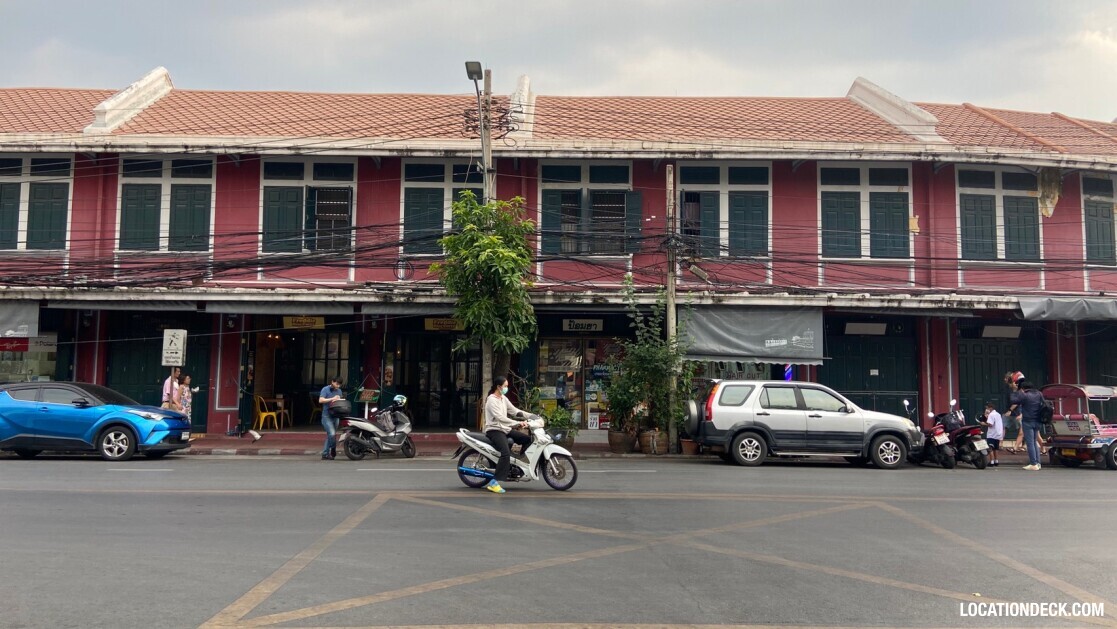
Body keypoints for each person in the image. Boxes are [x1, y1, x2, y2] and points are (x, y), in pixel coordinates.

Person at [482, 376, 532, 494]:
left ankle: (517, 465)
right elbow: (500, 418)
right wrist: (517, 423)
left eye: (507, 386)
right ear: (498, 387)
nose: (506, 388)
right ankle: (494, 482)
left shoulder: (503, 398)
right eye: (505, 386)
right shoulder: (491, 400)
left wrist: (530, 416)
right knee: (505, 453)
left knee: (527, 439)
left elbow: (514, 411)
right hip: (494, 430)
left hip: (504, 429)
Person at [1013, 379, 1045, 470]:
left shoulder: (1024, 395)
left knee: (1030, 443)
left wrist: (1016, 390)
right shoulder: (1039, 394)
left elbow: (1014, 400)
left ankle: (1033, 463)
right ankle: (1038, 463)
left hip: (1028, 421)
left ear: (1023, 388)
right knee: (1034, 442)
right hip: (1038, 420)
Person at [319, 376, 344, 460]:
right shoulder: (325, 389)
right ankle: (333, 449)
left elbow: (338, 401)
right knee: (332, 434)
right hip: (327, 415)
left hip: (335, 415)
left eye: (339, 385)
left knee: (330, 435)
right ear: (332, 382)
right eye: (337, 384)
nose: (338, 386)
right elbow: (321, 400)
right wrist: (332, 399)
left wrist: (339, 400)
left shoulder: (339, 391)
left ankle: (325, 454)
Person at [979, 401, 1003, 467]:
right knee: (996, 448)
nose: (986, 410)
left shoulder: (991, 415)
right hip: (998, 433)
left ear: (990, 408)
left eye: (987, 408)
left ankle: (991, 461)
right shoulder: (998, 414)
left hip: (992, 434)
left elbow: (990, 424)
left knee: (990, 448)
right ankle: (996, 461)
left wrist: (983, 423)